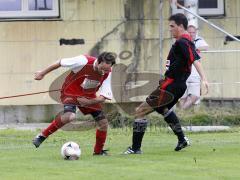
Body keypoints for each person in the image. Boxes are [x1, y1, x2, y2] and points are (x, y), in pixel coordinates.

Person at [123, 13, 209, 154]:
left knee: (140, 111)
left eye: (172, 26)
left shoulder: (183, 42)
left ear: (181, 26)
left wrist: (204, 79)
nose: (170, 29)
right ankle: (182, 139)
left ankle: (135, 148)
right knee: (162, 109)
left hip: (171, 86)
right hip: (175, 85)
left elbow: (195, 60)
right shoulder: (185, 41)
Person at [32, 52, 116, 156]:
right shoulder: (83, 60)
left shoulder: (108, 72)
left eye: (107, 70)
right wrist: (42, 73)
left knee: (103, 123)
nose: (104, 72)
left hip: (88, 97)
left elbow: (103, 97)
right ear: (98, 62)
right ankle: (42, 136)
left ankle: (98, 152)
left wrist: (89, 102)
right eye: (102, 69)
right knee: (69, 117)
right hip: (70, 92)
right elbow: (59, 63)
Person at [180, 25, 209, 109]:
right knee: (183, 96)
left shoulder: (198, 40)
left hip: (195, 72)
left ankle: (181, 112)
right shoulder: (182, 40)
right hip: (183, 72)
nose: (192, 34)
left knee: (195, 96)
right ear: (186, 32)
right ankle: (182, 117)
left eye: (193, 32)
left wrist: (194, 48)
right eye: (190, 32)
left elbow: (206, 47)